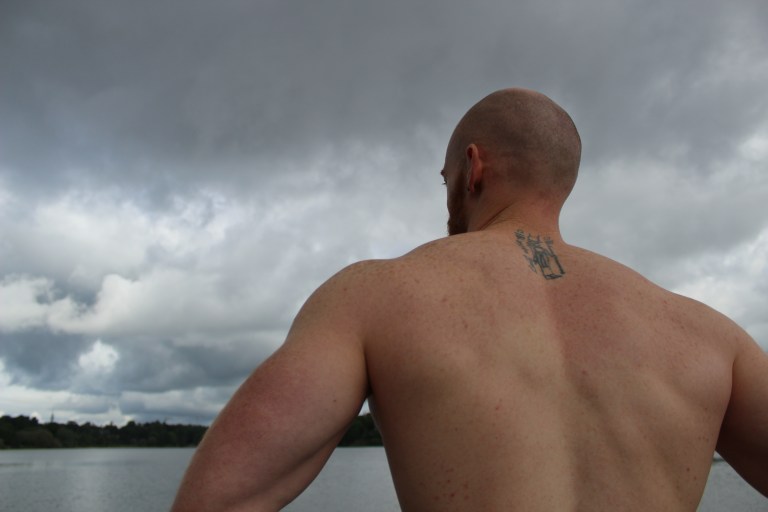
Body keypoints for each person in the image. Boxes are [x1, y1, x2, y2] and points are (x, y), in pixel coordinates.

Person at [172, 88, 768, 511]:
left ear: (472, 167)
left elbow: (219, 499)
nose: (446, 199)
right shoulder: (710, 337)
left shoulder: (372, 296)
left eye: (444, 181)